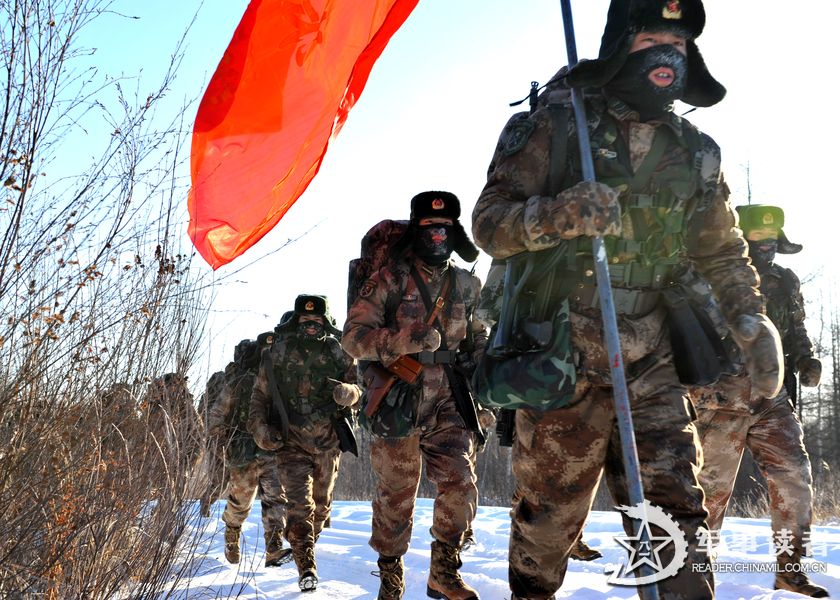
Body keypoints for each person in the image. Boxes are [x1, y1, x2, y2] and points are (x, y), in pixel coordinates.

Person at [471, 1, 783, 598]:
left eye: (679, 42)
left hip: (654, 358)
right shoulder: (558, 125)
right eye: (650, 38)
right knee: (548, 522)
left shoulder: (697, 152)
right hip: (562, 351)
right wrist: (558, 215)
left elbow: (721, 250)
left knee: (676, 516)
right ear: (620, 44)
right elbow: (489, 223)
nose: (667, 53)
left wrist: (750, 315)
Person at [343, 191, 487, 600]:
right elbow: (353, 338)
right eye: (429, 229)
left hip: (450, 398)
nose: (437, 237)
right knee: (396, 497)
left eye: (444, 229)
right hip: (398, 397)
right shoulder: (389, 279)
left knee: (461, 482)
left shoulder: (466, 283)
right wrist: (404, 339)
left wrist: (487, 384)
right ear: (415, 232)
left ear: (454, 232)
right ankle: (390, 574)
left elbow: (478, 339)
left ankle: (444, 570)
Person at [692, 205, 827, 597]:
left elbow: (794, 328)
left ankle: (791, 570)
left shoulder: (785, 281)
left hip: (772, 398)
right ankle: (695, 574)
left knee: (794, 477)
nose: (766, 247)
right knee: (709, 494)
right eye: (757, 239)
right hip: (720, 399)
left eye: (771, 240)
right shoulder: (708, 278)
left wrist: (806, 359)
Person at [249, 295, 360, 592]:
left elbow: (359, 390)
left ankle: (305, 541)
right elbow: (259, 397)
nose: (311, 326)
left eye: (317, 321)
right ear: (297, 322)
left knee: (321, 508)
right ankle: (306, 566)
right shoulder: (277, 353)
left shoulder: (340, 353)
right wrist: (260, 429)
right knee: (300, 506)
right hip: (291, 441)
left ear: (326, 322)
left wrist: (347, 393)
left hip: (328, 441)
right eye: (305, 321)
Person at [208, 334, 291, 567]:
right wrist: (220, 439)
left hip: (271, 448)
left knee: (276, 498)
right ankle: (232, 534)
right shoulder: (237, 381)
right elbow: (216, 413)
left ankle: (274, 548)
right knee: (240, 502)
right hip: (242, 450)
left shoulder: (278, 379)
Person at [198, 370, 227, 518]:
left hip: (218, 441)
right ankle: (205, 504)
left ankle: (206, 504)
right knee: (220, 480)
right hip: (217, 441)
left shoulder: (206, 398)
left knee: (221, 480)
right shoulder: (213, 398)